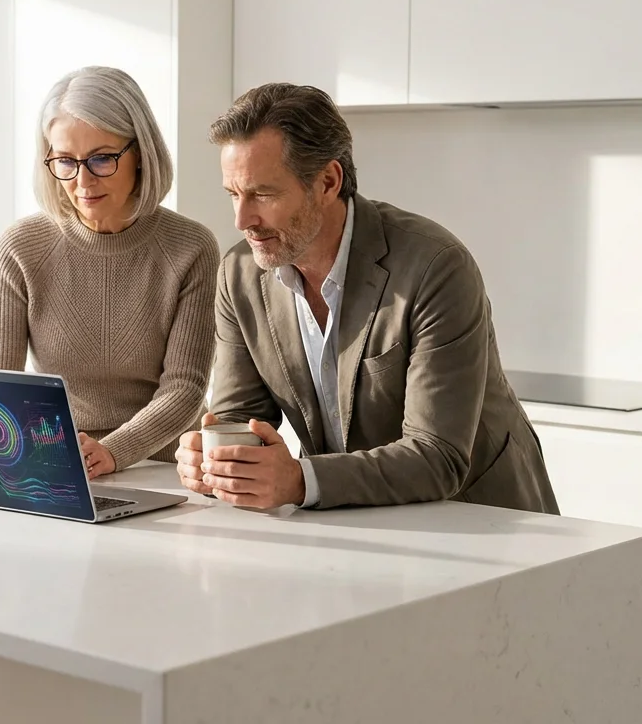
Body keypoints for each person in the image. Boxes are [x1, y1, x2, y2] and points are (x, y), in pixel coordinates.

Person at [174, 83, 558, 514]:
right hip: (353, 521)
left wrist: (300, 480)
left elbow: (438, 456)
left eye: (263, 194)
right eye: (233, 194)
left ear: (328, 181)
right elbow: (238, 419)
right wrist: (213, 461)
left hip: (483, 521)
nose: (242, 219)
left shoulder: (435, 266)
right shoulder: (240, 273)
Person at [0, 66, 219, 477]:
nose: (83, 181)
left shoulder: (191, 248)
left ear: (141, 153)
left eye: (102, 158)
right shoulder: (20, 248)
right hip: (61, 463)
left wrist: (111, 451)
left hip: (165, 468)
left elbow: (185, 388)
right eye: (66, 161)